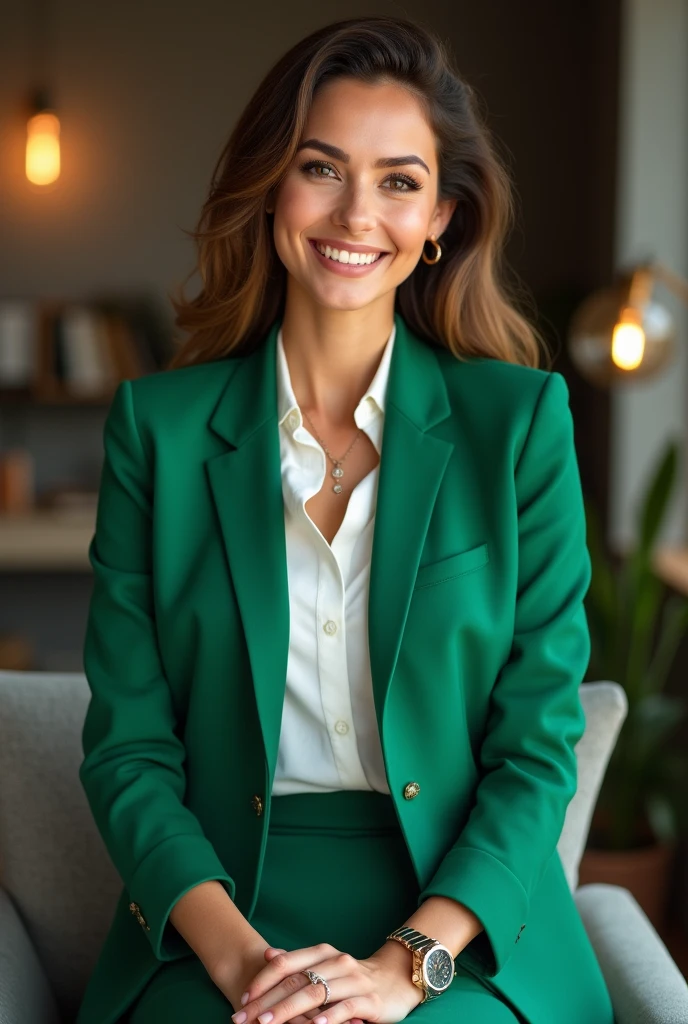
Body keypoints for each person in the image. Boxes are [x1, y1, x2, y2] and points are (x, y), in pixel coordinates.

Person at [75, 15, 615, 1024]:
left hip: (455, 917)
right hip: (221, 909)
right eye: (320, 168)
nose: (355, 213)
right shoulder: (158, 432)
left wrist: (404, 965)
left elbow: (539, 744)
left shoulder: (518, 424)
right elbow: (129, 752)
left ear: (442, 217)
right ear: (273, 189)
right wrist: (247, 967)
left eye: (399, 181)